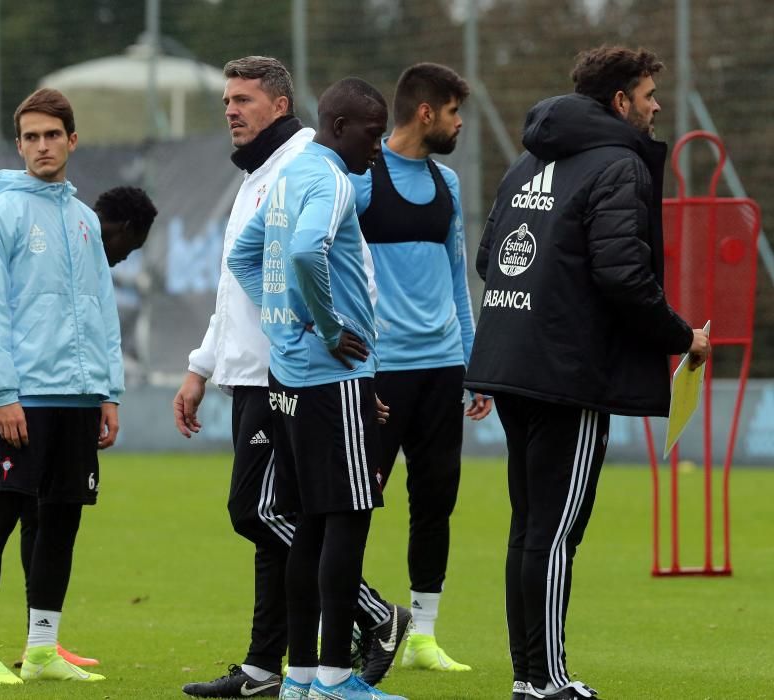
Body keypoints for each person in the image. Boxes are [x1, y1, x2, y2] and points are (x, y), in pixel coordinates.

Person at [464, 46, 711, 700]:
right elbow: (623, 276)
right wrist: (683, 336)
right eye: (649, 94)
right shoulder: (620, 165)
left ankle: (528, 677)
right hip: (567, 376)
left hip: (511, 365)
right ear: (620, 102)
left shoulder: (528, 162)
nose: (657, 105)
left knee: (529, 530)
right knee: (554, 532)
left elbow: (492, 259)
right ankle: (545, 682)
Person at [173, 57, 405, 698]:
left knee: (293, 520)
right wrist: (328, 332)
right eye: (227, 99)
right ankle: (337, 668)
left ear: (282, 105)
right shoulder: (322, 173)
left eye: (242, 98)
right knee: (329, 519)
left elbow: (263, 259)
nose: (230, 110)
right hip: (320, 372)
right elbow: (300, 258)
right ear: (343, 125)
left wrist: (286, 324)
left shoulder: (295, 165)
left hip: (280, 371)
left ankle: (286, 673)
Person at [0, 186, 157, 670]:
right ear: (124, 231)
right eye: (131, 248)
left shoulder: (75, 237)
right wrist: (1, 387)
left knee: (40, 510)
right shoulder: (30, 223)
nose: (124, 259)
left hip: (43, 389)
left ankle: (40, 639)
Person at [0, 88, 131, 686]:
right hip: (23, 399)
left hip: (79, 400)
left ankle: (41, 650)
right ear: (19, 145)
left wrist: (109, 391)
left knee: (60, 523)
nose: (42, 146)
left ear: (72, 140)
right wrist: (3, 394)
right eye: (30, 137)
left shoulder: (85, 220)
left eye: (51, 135)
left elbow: (103, 310)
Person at [350, 62, 490, 676]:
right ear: (426, 112)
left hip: (442, 370)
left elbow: (458, 278)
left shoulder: (448, 184)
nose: (462, 122)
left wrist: (473, 359)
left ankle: (423, 636)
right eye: (455, 111)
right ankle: (356, 621)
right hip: (378, 374)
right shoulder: (360, 179)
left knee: (436, 501)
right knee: (354, 503)